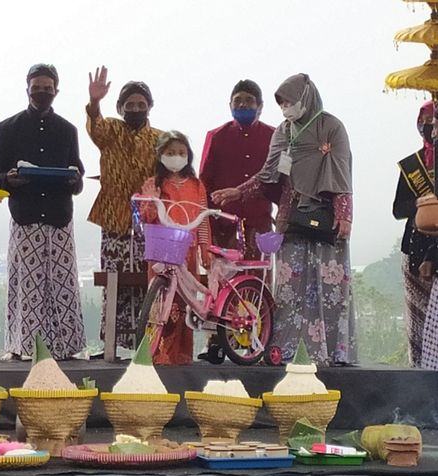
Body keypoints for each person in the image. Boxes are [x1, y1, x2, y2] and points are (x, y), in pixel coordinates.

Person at [212, 74, 355, 365]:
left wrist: (344, 214)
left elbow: (342, 174)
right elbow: (267, 175)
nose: (287, 108)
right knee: (289, 288)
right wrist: (237, 192)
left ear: (306, 98)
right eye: (283, 103)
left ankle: (330, 352)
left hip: (327, 219)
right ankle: (285, 350)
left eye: (291, 101)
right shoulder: (283, 132)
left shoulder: (332, 127)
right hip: (291, 218)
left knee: (330, 287)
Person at [0, 63, 85, 360]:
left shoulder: (68, 129)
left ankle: (66, 348)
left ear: (56, 90)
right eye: (37, 87)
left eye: (48, 88)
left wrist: (74, 179)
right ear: (27, 88)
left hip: (59, 217)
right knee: (27, 286)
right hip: (26, 216)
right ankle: (24, 347)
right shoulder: (7, 128)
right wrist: (10, 179)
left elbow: (78, 178)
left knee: (62, 283)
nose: (42, 92)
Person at [86, 67, 162, 350]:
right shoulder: (111, 131)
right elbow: (95, 126)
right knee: (114, 284)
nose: (135, 109)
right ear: (119, 108)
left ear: (150, 107)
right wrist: (94, 103)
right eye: (129, 105)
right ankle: (111, 348)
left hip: (149, 224)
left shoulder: (160, 138)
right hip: (114, 219)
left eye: (141, 105)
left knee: (148, 284)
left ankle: (148, 346)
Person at [139, 131, 211, 365]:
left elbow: (203, 220)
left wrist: (204, 249)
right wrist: (150, 199)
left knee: (185, 302)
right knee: (162, 302)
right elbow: (147, 218)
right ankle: (158, 353)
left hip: (187, 253)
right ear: (160, 155)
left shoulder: (197, 185)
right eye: (170, 153)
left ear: (188, 155)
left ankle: (181, 354)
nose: (176, 157)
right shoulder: (154, 183)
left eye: (181, 153)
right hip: (162, 251)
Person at [200, 80, 275, 258]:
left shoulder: (274, 136)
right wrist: (208, 228)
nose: (242, 104)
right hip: (223, 226)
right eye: (237, 100)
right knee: (224, 282)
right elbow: (204, 182)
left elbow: (279, 179)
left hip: (260, 225)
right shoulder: (216, 136)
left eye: (249, 100)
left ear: (260, 106)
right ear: (230, 105)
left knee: (258, 282)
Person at [392, 101, 435, 368]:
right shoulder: (412, 166)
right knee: (419, 320)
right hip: (415, 247)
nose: (429, 125)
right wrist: (422, 203)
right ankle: (418, 373)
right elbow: (398, 209)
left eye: (434, 118)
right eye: (425, 119)